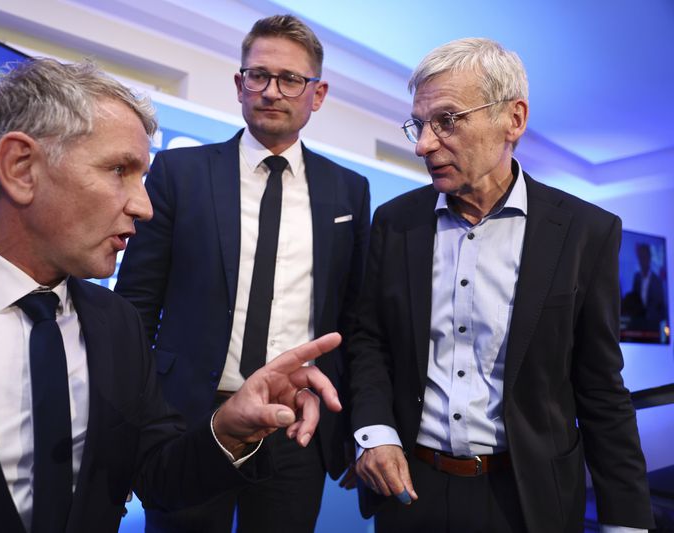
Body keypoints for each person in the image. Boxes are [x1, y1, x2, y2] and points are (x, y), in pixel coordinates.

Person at [0, 57, 345, 533]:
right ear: (21, 167)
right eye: (120, 170)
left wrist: (226, 430)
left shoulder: (117, 325)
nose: (143, 205)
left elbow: (158, 478)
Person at [348, 38, 654, 533]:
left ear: (513, 119)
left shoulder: (585, 233)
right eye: (419, 125)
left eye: (447, 120)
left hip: (528, 500)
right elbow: (370, 342)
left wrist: (626, 521)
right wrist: (375, 432)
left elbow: (601, 389)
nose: (424, 143)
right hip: (411, 493)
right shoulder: (395, 221)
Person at [115, 14, 370, 533]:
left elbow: (352, 317)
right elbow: (136, 303)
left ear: (317, 95)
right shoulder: (180, 173)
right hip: (188, 416)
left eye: (291, 79)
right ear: (239, 84)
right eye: (258, 75)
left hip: (294, 425)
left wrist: (347, 423)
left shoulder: (349, 191)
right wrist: (128, 411)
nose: (272, 91)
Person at [623, 242, 666, 328]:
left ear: (649, 258)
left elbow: (659, 307)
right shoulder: (637, 277)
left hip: (652, 326)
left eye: (644, 257)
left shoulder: (657, 281)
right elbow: (635, 300)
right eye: (640, 258)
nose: (642, 261)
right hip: (638, 323)